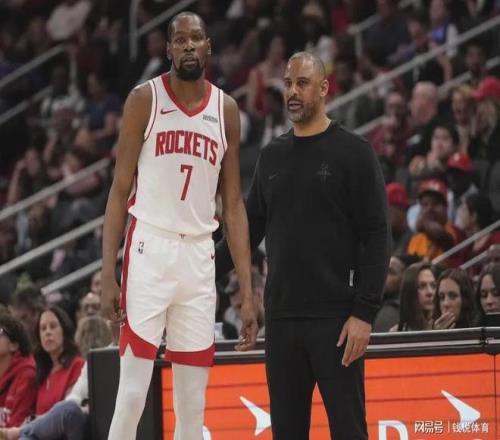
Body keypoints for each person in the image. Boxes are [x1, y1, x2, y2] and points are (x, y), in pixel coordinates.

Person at [216, 51, 390, 439]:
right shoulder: (271, 155)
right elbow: (247, 232)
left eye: (302, 83)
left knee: (349, 431)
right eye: (288, 84)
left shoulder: (354, 152)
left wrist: (364, 313)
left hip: (337, 320)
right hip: (281, 320)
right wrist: (198, 268)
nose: (293, 92)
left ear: (324, 88)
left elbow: (378, 235)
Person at [101, 12, 257, 440]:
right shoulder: (144, 100)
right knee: (132, 395)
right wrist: (107, 272)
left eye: (196, 38)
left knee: (192, 405)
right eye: (180, 39)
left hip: (199, 257)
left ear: (208, 46)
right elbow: (118, 190)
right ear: (169, 49)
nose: (189, 45)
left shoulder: (226, 110)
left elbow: (233, 205)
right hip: (150, 248)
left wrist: (247, 291)